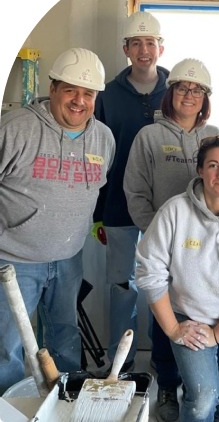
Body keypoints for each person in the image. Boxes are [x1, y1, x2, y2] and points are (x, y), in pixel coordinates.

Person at [0, 48, 115, 394]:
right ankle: (10, 409)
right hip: (14, 262)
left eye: (89, 93)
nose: (79, 101)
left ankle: (64, 402)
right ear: (52, 89)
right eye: (70, 90)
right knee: (8, 347)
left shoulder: (103, 139)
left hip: (69, 260)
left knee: (65, 337)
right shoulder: (16, 129)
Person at [135, 135, 219, 422]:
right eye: (213, 165)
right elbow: (150, 272)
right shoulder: (174, 211)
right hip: (189, 319)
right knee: (203, 397)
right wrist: (173, 330)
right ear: (200, 170)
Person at [124, 58, 219, 421]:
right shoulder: (149, 136)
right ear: (171, 93)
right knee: (164, 310)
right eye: (182, 88)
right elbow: (135, 191)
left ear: (205, 98)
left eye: (197, 90)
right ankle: (166, 383)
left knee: (198, 308)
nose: (189, 95)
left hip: (205, 248)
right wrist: (156, 236)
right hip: (162, 246)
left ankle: (199, 381)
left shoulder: (213, 138)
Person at [92, 11, 167, 375]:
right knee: (123, 288)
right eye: (136, 43)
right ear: (125, 49)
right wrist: (97, 213)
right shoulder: (106, 95)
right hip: (119, 209)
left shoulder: (177, 91)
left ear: (161, 48)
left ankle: (162, 362)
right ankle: (118, 365)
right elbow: (96, 155)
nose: (143, 50)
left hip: (167, 212)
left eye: (150, 43)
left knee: (163, 286)